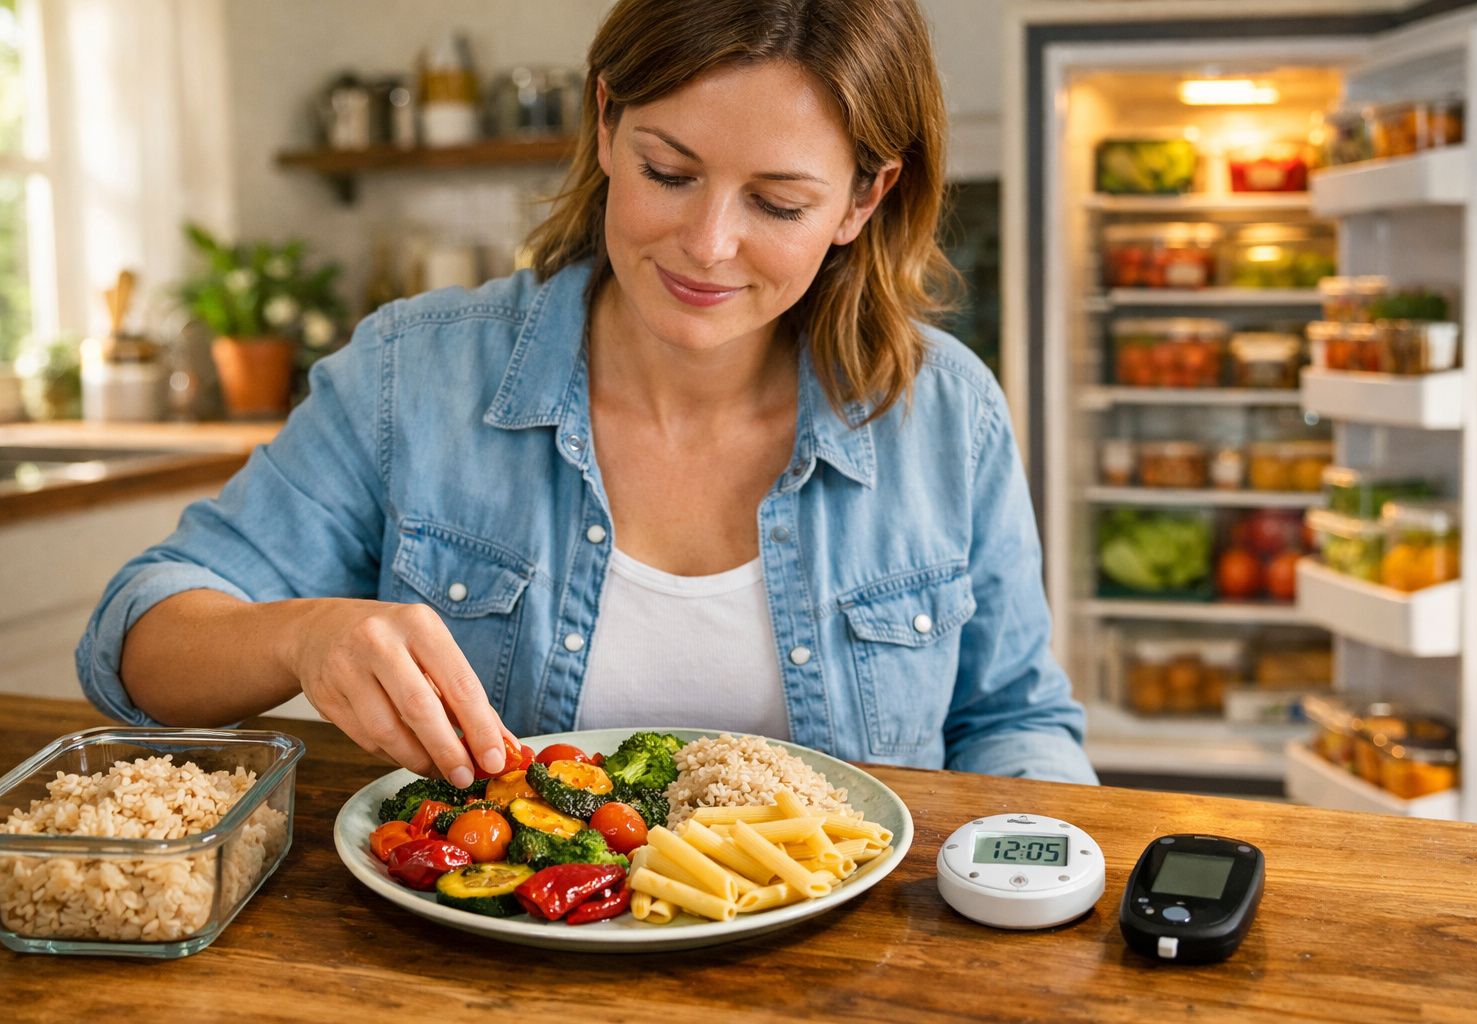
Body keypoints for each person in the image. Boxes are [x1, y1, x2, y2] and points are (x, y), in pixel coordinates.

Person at [77, 0, 1097, 789]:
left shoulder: (947, 414)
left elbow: (1015, 720)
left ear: (863, 200)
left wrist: (1031, 882)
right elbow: (138, 642)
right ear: (607, 125)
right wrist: (302, 634)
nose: (707, 245)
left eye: (778, 202)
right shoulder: (410, 377)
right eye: (669, 172)